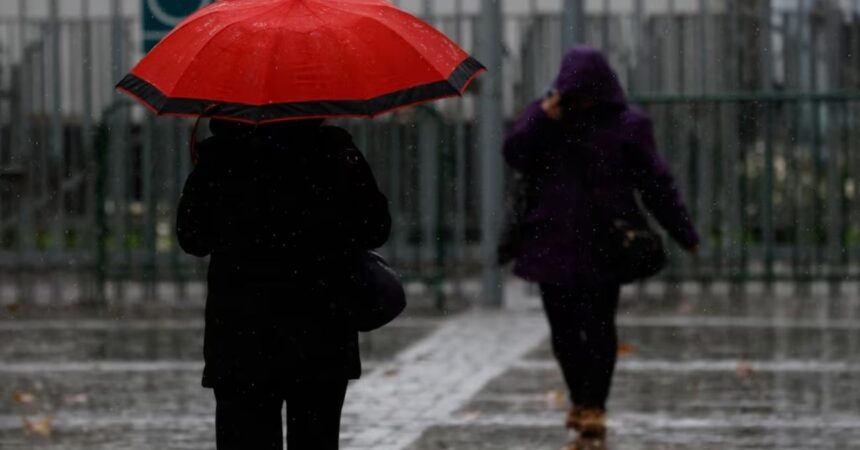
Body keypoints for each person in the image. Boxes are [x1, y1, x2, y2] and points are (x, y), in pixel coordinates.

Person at [502, 47, 699, 440]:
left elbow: (655, 183)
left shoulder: (627, 125)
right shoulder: (544, 118)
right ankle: (580, 399)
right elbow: (515, 153)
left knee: (598, 326)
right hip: (551, 242)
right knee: (562, 328)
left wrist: (682, 231)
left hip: (603, 241)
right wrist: (543, 119)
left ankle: (594, 405)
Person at [176, 118, 391, 450]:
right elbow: (375, 228)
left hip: (242, 333)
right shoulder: (336, 151)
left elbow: (192, 238)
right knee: (316, 440)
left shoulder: (221, 156)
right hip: (321, 329)